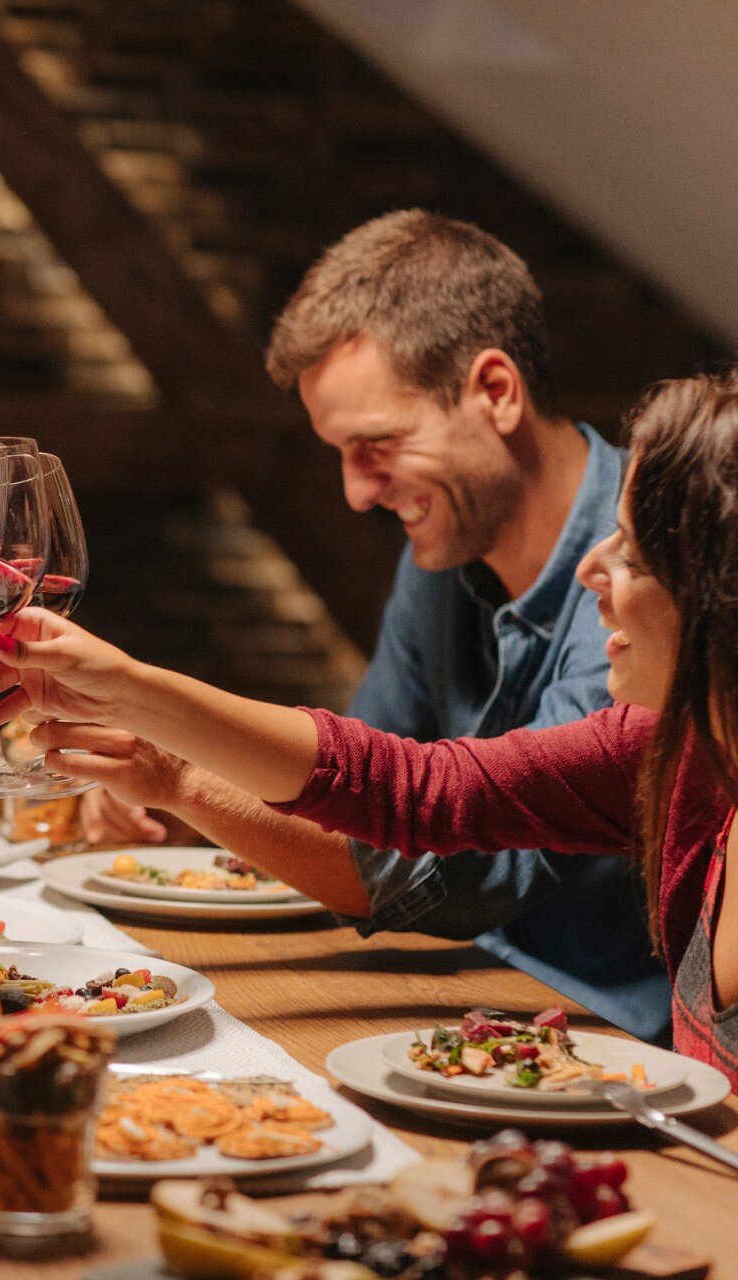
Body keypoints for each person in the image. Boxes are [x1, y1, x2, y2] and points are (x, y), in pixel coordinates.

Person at [0, 371, 738, 1085]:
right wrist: (132, 696)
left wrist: (163, 751)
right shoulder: (668, 748)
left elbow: (447, 867)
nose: (591, 572)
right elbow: (411, 787)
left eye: (633, 553)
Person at [69, 211, 669, 1041]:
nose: (356, 493)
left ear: (495, 392)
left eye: (377, 444)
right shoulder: (442, 565)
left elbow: (459, 855)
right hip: (454, 1005)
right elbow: (351, 787)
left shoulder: (653, 590)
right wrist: (185, 799)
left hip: (626, 1051)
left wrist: (185, 776)